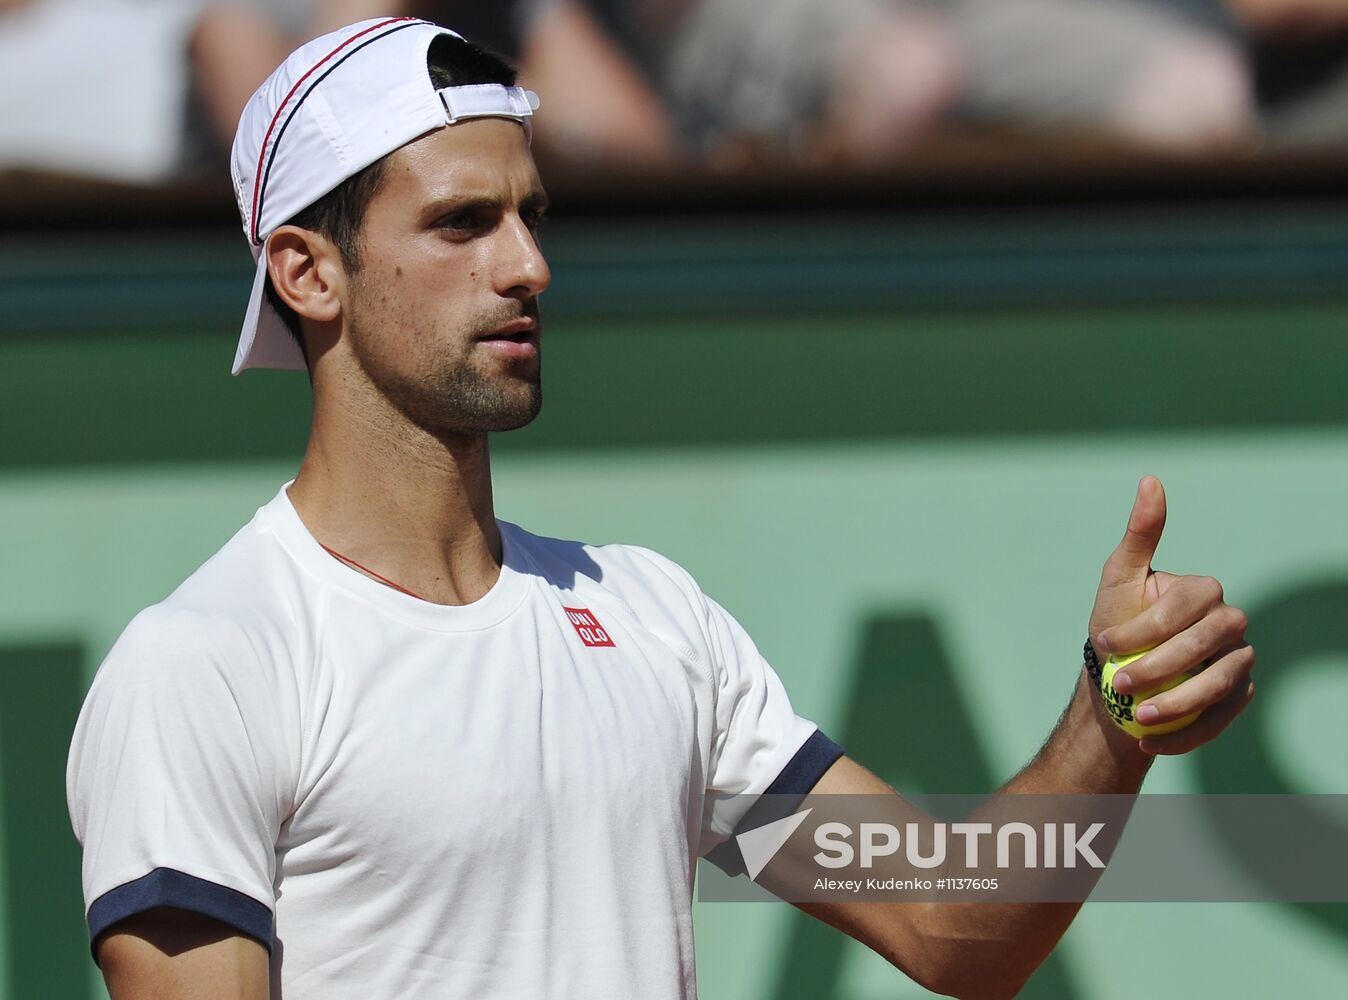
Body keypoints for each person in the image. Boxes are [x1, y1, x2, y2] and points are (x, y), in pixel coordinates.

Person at [65, 17, 1255, 1000]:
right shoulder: (205, 668)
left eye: (532, 215)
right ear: (306, 271)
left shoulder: (652, 618)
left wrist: (1113, 714)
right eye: (461, 222)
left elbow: (956, 923)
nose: (526, 265)